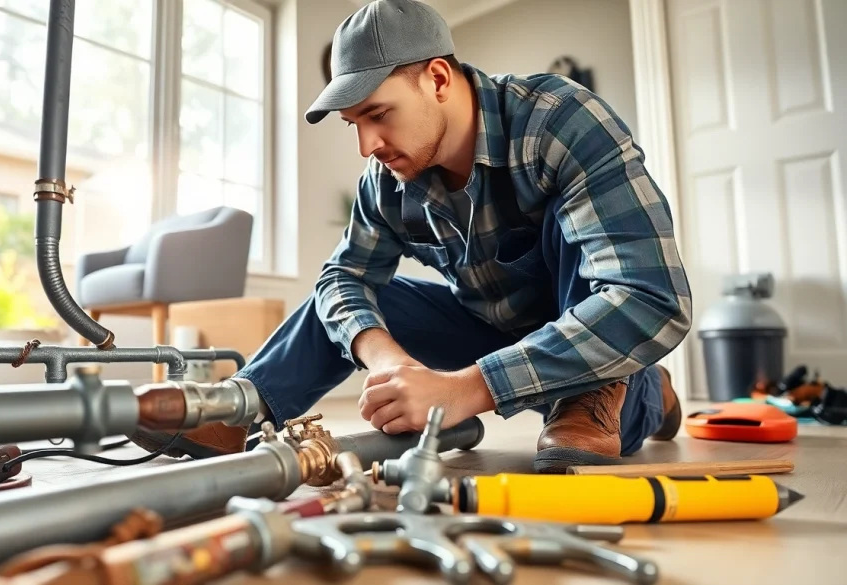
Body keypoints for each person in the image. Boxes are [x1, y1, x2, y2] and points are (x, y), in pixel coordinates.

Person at [132, 0, 692, 473]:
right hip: (487, 330)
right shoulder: (388, 181)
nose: (367, 145)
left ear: (439, 79)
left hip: (586, 351)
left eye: (379, 114)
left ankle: (644, 393)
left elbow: (650, 300)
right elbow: (342, 278)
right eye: (356, 124)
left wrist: (467, 390)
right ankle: (240, 412)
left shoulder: (560, 123)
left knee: (578, 242)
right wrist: (386, 362)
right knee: (358, 295)